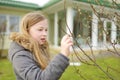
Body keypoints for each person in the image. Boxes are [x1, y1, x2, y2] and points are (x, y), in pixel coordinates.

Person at [8, 11, 73, 80]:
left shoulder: (40, 46)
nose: (45, 33)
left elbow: (48, 71)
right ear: (27, 30)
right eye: (40, 29)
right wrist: (63, 55)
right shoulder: (20, 54)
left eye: (46, 30)